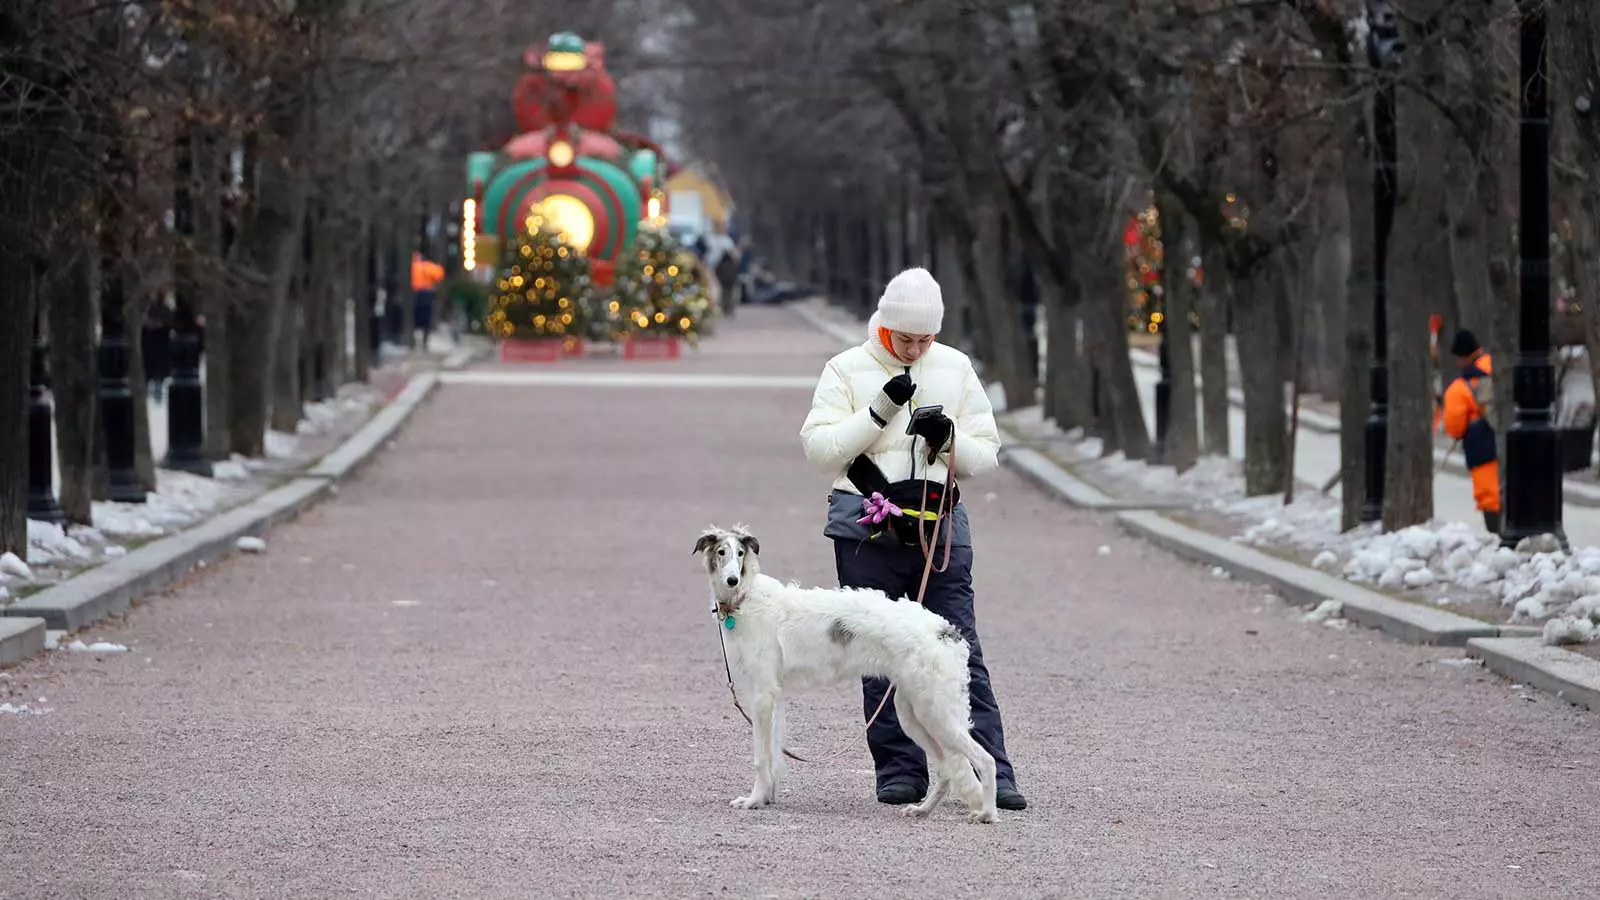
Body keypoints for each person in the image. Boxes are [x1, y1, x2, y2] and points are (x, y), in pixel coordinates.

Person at [798, 267, 1026, 811]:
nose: (917, 348)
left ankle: (987, 767)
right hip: (865, 525)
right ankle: (900, 770)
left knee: (958, 648)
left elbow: (986, 455)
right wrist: (880, 411)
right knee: (878, 650)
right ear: (884, 327)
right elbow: (820, 449)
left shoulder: (954, 367)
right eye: (907, 339)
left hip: (939, 526)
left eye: (927, 339)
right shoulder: (846, 368)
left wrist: (947, 438)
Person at [1442, 328, 1500, 534]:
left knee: (1489, 495)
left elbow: (1454, 427)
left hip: (1481, 447)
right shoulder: (1498, 366)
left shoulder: (1458, 389)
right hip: (1508, 439)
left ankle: (1497, 534)